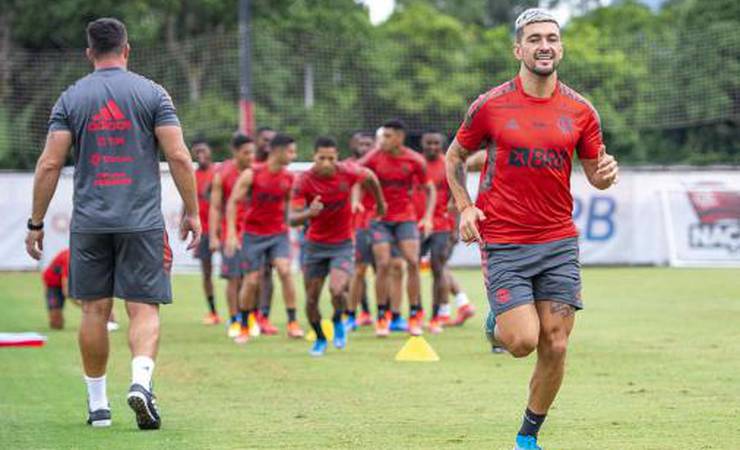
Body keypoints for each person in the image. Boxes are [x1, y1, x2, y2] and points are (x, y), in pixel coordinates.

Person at [444, 9, 619, 450]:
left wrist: (605, 175)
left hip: (558, 241)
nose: (545, 46)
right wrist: (465, 207)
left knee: (555, 345)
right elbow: (453, 158)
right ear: (518, 49)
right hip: (503, 241)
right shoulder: (489, 106)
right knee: (522, 342)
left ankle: (527, 437)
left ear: (560, 48)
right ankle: (499, 323)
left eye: (552, 38)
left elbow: (594, 173)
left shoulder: (581, 110)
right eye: (535, 38)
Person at [25, 17, 200, 430]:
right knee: (143, 308)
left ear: (89, 53)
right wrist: (193, 210)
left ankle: (98, 406)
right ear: (127, 49)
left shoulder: (70, 98)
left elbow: (50, 162)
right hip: (141, 223)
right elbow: (178, 156)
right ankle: (140, 382)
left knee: (94, 310)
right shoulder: (152, 92)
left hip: (89, 223)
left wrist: (35, 223)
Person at [291, 137, 385, 356]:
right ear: (314, 156)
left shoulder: (348, 171)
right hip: (314, 246)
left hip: (342, 244)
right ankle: (320, 338)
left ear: (337, 157)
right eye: (321, 158)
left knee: (337, 290)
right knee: (311, 299)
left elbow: (370, 177)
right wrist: (308, 213)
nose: (326, 163)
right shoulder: (303, 180)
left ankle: (337, 321)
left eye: (331, 158)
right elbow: (292, 218)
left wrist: (380, 203)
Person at [226, 133, 305, 343]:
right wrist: (232, 234)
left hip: (278, 234)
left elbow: (290, 212)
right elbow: (233, 202)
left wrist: (304, 218)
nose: (294, 155)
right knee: (251, 281)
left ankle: (292, 323)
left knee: (285, 270)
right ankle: (244, 327)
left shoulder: (289, 178)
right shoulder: (252, 174)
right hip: (253, 235)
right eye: (290, 151)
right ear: (277, 151)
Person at [360, 120, 435, 337]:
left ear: (399, 138)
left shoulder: (414, 160)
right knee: (382, 264)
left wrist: (428, 217)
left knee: (413, 262)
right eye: (382, 136)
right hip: (379, 219)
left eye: (388, 136)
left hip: (405, 218)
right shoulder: (374, 156)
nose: (383, 140)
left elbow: (429, 189)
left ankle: (414, 315)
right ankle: (382, 317)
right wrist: (358, 202)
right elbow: (358, 175)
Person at [416, 131, 475, 334]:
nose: (432, 147)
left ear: (442, 145)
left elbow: (458, 199)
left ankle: (437, 316)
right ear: (422, 144)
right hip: (416, 225)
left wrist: (455, 227)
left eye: (436, 143)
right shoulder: (416, 164)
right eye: (428, 143)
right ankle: (419, 314)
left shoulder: (449, 165)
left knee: (438, 267)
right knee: (412, 268)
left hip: (443, 225)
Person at [209, 133, 255, 337]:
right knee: (233, 278)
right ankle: (235, 319)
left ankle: (250, 317)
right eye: (246, 153)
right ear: (235, 152)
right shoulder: (223, 173)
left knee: (253, 278)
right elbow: (216, 207)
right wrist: (213, 236)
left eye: (253, 152)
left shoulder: (257, 172)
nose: (251, 156)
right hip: (231, 233)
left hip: (254, 232)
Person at [41, 248, 119, 331]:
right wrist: (90, 306)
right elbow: (67, 291)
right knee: (56, 323)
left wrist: (103, 307)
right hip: (53, 285)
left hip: (76, 279)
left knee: (98, 299)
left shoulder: (93, 262)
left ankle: (110, 320)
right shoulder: (70, 260)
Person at [345, 131, 377, 330]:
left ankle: (384, 314)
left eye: (368, 144)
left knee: (382, 268)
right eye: (361, 144)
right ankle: (356, 313)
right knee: (359, 270)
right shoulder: (346, 167)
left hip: (377, 224)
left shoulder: (376, 166)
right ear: (353, 144)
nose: (364, 148)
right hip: (354, 225)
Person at [252, 125, 278, 332]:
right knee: (250, 275)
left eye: (272, 140)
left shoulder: (277, 168)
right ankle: (247, 316)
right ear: (257, 141)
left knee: (268, 272)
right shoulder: (248, 165)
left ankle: (264, 317)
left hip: (273, 230)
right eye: (265, 140)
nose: (269, 144)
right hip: (249, 230)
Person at [191, 139, 219, 325]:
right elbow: (187, 203)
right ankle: (213, 312)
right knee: (206, 272)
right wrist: (183, 226)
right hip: (203, 230)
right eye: (197, 152)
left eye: (203, 151)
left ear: (210, 152)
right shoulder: (191, 175)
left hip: (222, 228)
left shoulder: (218, 173)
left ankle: (241, 314)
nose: (200, 155)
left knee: (237, 273)